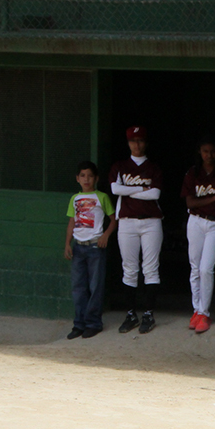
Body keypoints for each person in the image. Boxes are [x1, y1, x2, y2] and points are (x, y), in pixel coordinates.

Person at [109, 125, 163, 334]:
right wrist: (142, 189)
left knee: (150, 268)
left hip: (151, 221)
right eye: (133, 140)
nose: (137, 144)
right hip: (127, 221)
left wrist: (129, 191)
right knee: (129, 268)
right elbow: (115, 189)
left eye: (140, 140)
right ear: (128, 143)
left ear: (145, 142)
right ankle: (131, 314)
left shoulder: (153, 167)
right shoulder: (120, 165)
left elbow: (155, 194)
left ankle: (148, 313)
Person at [63, 161, 117, 340]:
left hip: (95, 247)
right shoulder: (74, 199)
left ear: (96, 179)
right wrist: (67, 244)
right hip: (79, 247)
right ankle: (79, 324)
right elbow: (72, 221)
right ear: (77, 179)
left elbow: (113, 219)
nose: (86, 179)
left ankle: (93, 323)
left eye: (90, 176)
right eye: (83, 176)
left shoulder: (101, 197)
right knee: (78, 287)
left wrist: (105, 235)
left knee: (95, 286)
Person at [181, 136, 215, 334]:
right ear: (200, 152)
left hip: (214, 222)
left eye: (212, 151)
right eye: (205, 151)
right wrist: (213, 197)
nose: (209, 155)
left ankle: (204, 313)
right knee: (195, 267)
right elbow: (190, 203)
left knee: (206, 269)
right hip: (195, 220)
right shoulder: (193, 172)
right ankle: (196, 310)